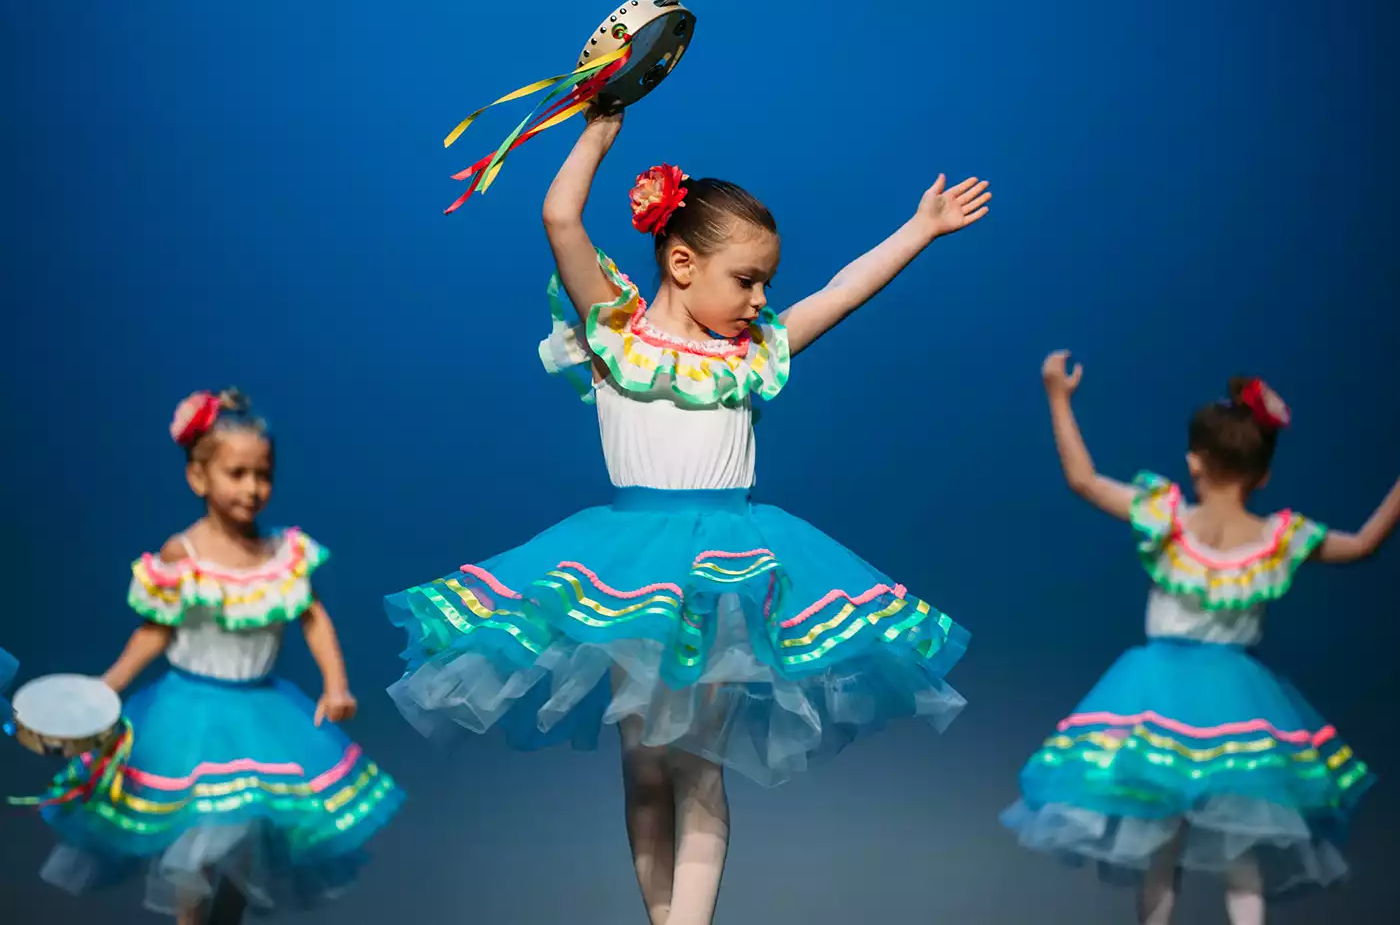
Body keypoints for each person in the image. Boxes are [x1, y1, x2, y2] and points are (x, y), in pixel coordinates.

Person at [384, 108, 990, 924]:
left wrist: (920, 229)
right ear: (680, 262)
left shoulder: (755, 351)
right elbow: (560, 217)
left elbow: (842, 293)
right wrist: (599, 128)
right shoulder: (616, 334)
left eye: (766, 282)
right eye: (747, 280)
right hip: (632, 568)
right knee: (643, 767)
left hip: (728, 568)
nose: (763, 298)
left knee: (700, 764)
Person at [1003, 351, 1400, 925]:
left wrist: (1057, 394)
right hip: (1239, 709)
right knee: (1242, 858)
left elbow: (1083, 479)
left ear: (1194, 463)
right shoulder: (1279, 538)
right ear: (1264, 475)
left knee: (1160, 848)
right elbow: (1361, 545)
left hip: (1156, 700)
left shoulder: (1164, 518)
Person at [33, 388, 403, 923]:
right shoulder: (183, 554)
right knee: (199, 853)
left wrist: (336, 684)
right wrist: (109, 684)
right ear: (198, 478)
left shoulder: (284, 553)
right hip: (191, 719)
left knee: (244, 851)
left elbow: (313, 617)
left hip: (263, 716)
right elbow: (155, 632)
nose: (253, 489)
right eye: (238, 474)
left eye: (263, 474)